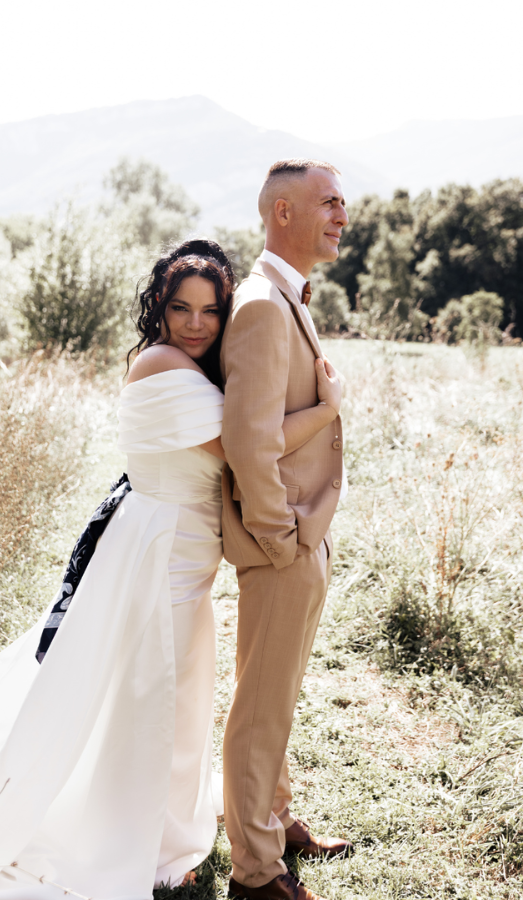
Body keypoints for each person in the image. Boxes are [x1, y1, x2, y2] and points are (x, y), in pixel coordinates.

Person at [0, 238, 342, 900]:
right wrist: (325, 407)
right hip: (159, 556)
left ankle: (159, 831)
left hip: (182, 552)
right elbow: (247, 445)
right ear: (159, 308)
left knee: (175, 699)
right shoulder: (161, 364)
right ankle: (122, 836)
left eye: (211, 310)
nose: (197, 323)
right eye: (181, 308)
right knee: (151, 698)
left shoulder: (192, 366)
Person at [220, 159, 352, 900]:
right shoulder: (262, 305)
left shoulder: (284, 296)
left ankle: (274, 820)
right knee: (259, 710)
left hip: (302, 537)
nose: (342, 216)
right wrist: (281, 538)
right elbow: (248, 441)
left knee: (279, 695)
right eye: (329, 202)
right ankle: (255, 873)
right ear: (283, 212)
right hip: (283, 542)